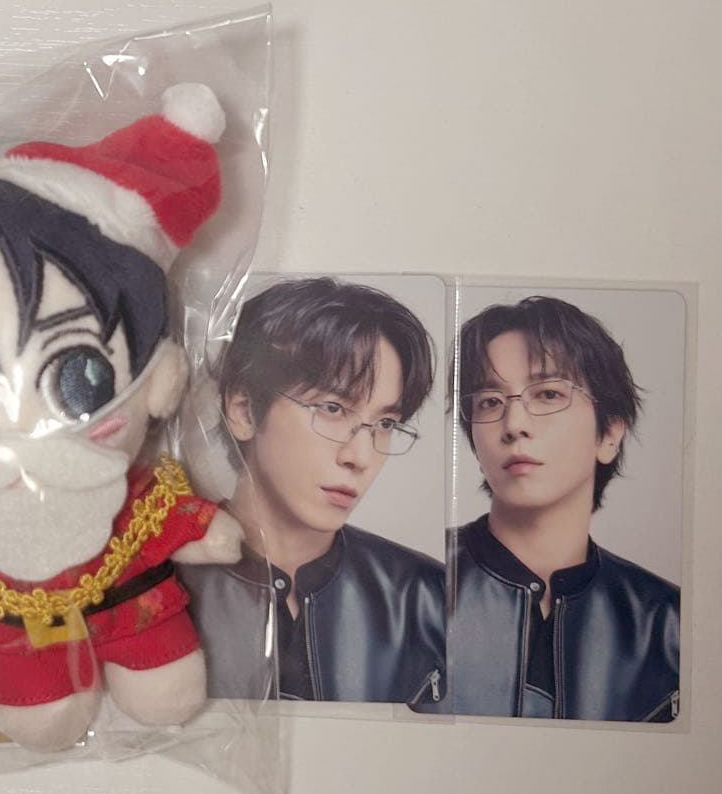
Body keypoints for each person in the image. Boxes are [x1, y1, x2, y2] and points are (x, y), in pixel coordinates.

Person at [179, 277, 445, 704]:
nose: (360, 456)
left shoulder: (427, 598)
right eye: (333, 409)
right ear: (243, 410)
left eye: (385, 424)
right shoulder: (159, 585)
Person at [449, 295, 679, 721]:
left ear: (609, 434)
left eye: (549, 394)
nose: (514, 424)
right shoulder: (411, 591)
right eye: (490, 401)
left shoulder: (666, 623)